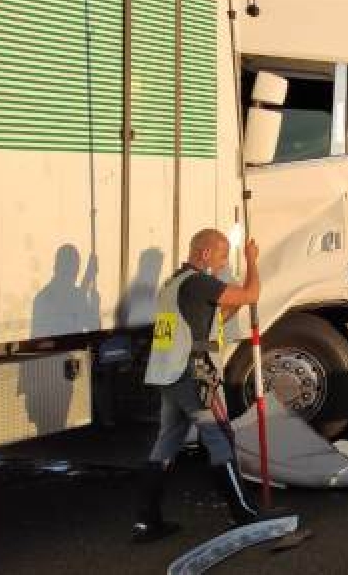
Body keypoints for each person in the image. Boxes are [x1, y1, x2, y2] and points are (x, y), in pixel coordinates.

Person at [131, 229, 276, 544]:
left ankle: (147, 520)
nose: (224, 264)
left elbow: (214, 318)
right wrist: (252, 260)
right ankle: (244, 514)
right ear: (206, 253)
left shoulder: (173, 284)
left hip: (167, 374)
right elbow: (251, 294)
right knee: (220, 435)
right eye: (223, 256)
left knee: (166, 442)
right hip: (193, 374)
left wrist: (229, 303)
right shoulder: (199, 282)